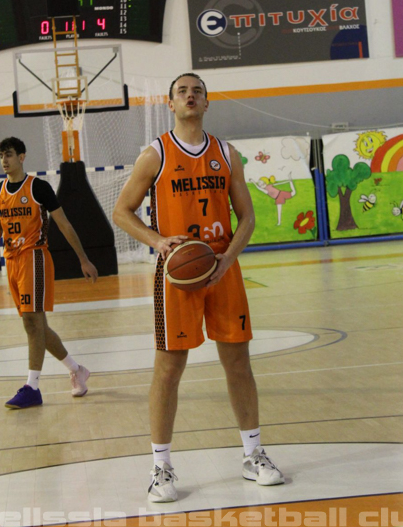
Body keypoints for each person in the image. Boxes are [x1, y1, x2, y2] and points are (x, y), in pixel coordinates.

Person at [113, 73, 284, 503]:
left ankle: (253, 455)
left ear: (207, 103)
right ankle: (161, 467)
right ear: (170, 104)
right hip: (177, 275)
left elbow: (247, 218)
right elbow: (121, 211)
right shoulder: (155, 154)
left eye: (197, 91)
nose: (190, 96)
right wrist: (157, 241)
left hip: (223, 269)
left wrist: (227, 259)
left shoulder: (227, 154)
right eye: (182, 92)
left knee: (238, 363)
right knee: (169, 369)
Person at [0, 137, 98, 409]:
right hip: (12, 261)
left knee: (33, 323)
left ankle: (32, 387)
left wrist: (83, 259)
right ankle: (77, 370)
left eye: (9, 154)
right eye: (1, 155)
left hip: (34, 257)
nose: (4, 160)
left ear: (21, 157)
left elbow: (64, 224)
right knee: (38, 328)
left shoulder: (38, 188)